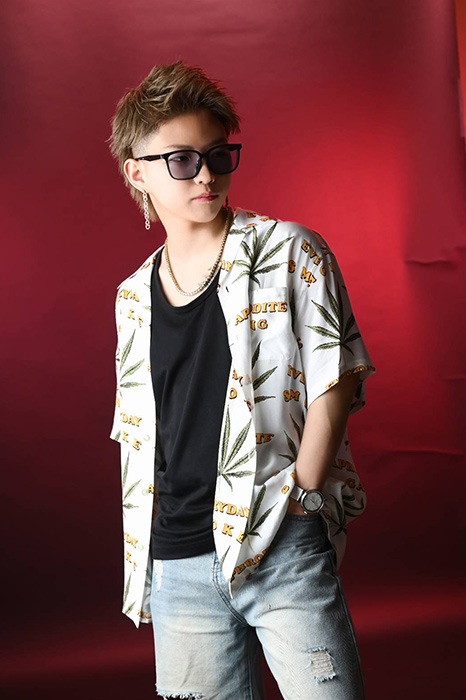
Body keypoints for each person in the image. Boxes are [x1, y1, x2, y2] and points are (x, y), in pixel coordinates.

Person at [107, 60, 376, 700]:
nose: (205, 174)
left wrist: (304, 494)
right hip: (177, 559)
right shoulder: (131, 298)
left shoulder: (291, 250)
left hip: (279, 537)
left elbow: (336, 375)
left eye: (217, 155)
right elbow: (143, 429)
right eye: (181, 160)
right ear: (137, 172)